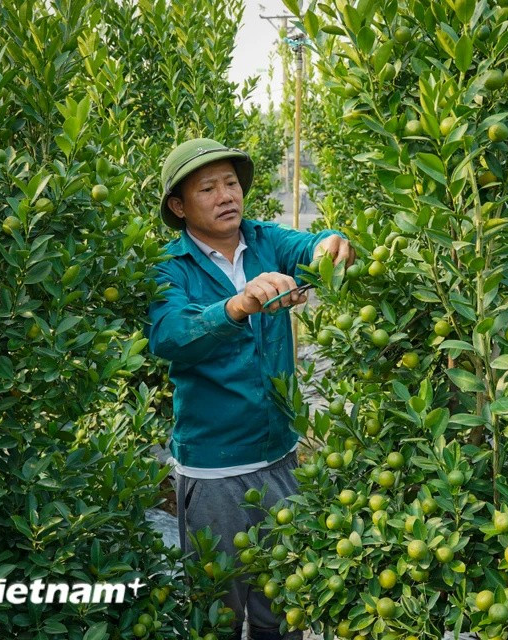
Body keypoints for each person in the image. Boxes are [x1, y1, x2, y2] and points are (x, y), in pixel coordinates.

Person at [144, 138, 355, 640]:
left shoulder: (264, 242)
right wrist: (235, 307)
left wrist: (331, 242)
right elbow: (171, 336)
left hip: (281, 458)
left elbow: (311, 248)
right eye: (209, 188)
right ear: (179, 206)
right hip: (216, 473)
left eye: (232, 184)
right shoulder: (169, 270)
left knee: (282, 610)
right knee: (218, 612)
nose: (226, 196)